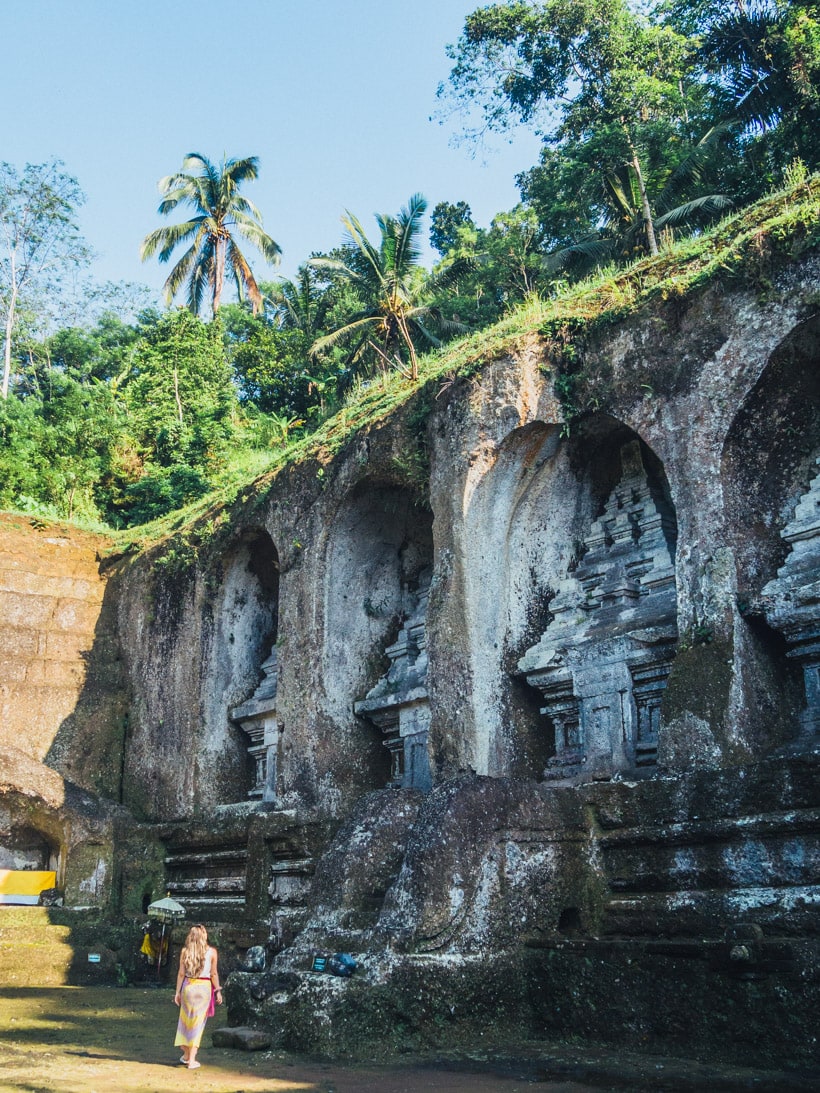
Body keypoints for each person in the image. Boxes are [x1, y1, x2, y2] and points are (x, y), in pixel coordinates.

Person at [173, 924, 222, 1069]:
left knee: (186, 1021)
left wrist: (177, 992)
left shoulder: (185, 952)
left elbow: (181, 973)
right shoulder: (212, 952)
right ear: (203, 936)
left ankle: (186, 1054)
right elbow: (213, 974)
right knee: (197, 1024)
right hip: (204, 989)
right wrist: (218, 990)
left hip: (188, 987)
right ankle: (192, 1060)